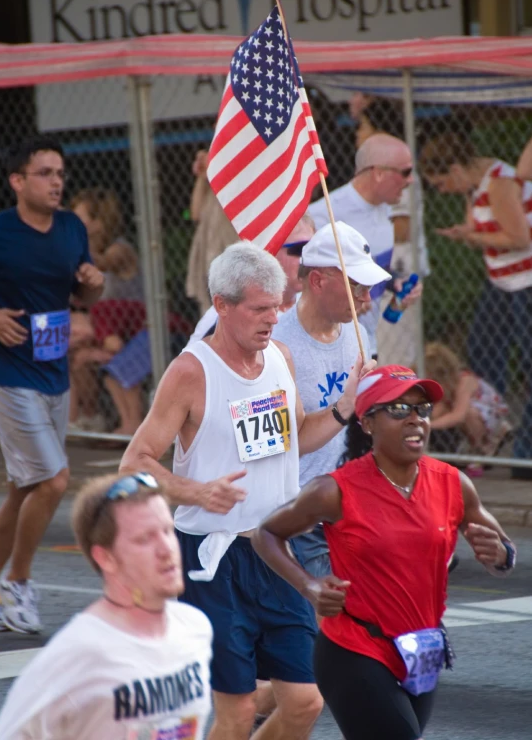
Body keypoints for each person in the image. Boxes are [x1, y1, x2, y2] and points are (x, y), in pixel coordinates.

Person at [120, 240, 374, 740]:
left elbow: (294, 439)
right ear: (222, 305)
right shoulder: (191, 372)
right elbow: (137, 460)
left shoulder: (279, 357)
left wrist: (345, 406)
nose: (273, 320)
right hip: (212, 561)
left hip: (274, 548)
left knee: (305, 700)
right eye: (259, 309)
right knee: (235, 713)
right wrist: (195, 492)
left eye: (277, 307)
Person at [252, 364, 516, 740]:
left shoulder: (453, 484)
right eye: (398, 409)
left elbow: (504, 552)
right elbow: (267, 533)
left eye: (422, 410)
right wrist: (308, 586)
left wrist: (501, 556)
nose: (415, 419)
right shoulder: (333, 490)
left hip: (421, 650)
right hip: (355, 649)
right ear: (368, 422)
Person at [0, 471, 213, 739]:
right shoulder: (77, 657)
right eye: (145, 539)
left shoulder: (194, 629)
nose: (167, 548)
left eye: (167, 530)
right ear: (105, 558)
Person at [0, 136, 104, 635]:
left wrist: (92, 283)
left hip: (54, 371)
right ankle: (17, 582)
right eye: (44, 173)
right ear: (18, 181)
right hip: (9, 372)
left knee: (25, 489)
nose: (57, 181)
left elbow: (79, 291)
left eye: (60, 172)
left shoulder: (71, 228)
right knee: (55, 479)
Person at [273, 221, 390, 579]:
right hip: (298, 506)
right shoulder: (276, 344)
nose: (366, 301)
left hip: (347, 500)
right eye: (357, 287)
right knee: (326, 613)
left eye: (369, 288)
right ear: (318, 281)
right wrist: (347, 404)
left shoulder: (358, 335)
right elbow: (287, 443)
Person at [419, 132, 532, 477]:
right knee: (481, 351)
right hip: (500, 282)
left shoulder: (500, 183)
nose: (441, 191)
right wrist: (466, 231)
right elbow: (483, 226)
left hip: (525, 283)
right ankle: (489, 431)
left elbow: (518, 237)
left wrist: (473, 237)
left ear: (455, 168)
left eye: (440, 183)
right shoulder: (476, 185)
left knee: (528, 364)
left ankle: (523, 454)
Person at [309, 133, 423, 359]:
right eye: (405, 172)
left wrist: (395, 283)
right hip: (330, 346)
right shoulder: (324, 215)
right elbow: (304, 282)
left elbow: (369, 266)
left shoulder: (385, 207)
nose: (411, 180)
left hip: (367, 343)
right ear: (379, 173)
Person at [353, 98, 430, 367]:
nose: (357, 134)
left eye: (363, 127)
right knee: (379, 348)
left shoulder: (398, 174)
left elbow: (402, 229)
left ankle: (402, 405)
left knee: (395, 354)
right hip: (381, 277)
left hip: (399, 275)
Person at [69, 187, 146, 435]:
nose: (73, 222)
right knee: (73, 351)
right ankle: (90, 416)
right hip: (106, 329)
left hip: (131, 330)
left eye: (79, 218)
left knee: (81, 347)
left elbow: (100, 263)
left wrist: (72, 240)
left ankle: (121, 421)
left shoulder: (120, 249)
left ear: (99, 222)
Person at [187, 213, 316, 344]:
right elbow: (191, 361)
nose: (308, 259)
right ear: (270, 250)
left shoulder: (317, 307)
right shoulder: (230, 310)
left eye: (312, 249)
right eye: (299, 249)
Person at [425, 341, 512, 474]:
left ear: (444, 375)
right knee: (441, 409)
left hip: (491, 417)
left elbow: (458, 415)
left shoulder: (465, 381)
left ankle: (481, 450)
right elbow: (438, 411)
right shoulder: (447, 388)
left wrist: (428, 425)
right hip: (472, 416)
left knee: (468, 413)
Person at [186, 148, 239, 316]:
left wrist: (216, 165)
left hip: (234, 253)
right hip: (211, 254)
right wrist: (203, 177)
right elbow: (195, 213)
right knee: (211, 311)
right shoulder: (213, 176)